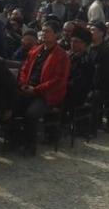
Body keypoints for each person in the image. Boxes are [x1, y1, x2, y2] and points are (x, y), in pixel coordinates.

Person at [15, 20, 70, 155]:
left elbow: (57, 80)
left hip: (46, 94)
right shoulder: (35, 50)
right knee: (12, 105)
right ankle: (15, 140)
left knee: (31, 114)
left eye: (48, 31)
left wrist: (36, 90)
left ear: (56, 35)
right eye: (43, 31)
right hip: (28, 88)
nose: (44, 34)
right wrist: (23, 84)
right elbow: (24, 69)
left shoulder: (62, 56)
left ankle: (30, 146)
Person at [88, 20, 109, 132]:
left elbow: (107, 74)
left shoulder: (107, 50)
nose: (90, 32)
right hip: (90, 82)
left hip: (104, 86)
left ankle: (93, 126)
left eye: (93, 30)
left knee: (93, 96)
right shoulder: (89, 47)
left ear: (101, 33)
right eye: (90, 30)